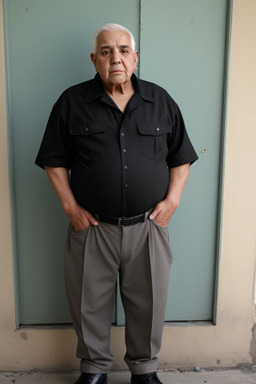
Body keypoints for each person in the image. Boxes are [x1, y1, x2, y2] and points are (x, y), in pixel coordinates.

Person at [35, 23, 198, 384]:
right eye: (106, 52)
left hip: (148, 228)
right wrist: (71, 210)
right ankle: (94, 370)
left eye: (124, 50)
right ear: (94, 60)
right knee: (87, 303)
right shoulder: (71, 102)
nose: (116, 58)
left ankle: (144, 371)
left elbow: (181, 156)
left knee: (149, 304)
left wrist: (172, 202)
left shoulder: (160, 101)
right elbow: (53, 160)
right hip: (92, 228)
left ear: (135, 57)